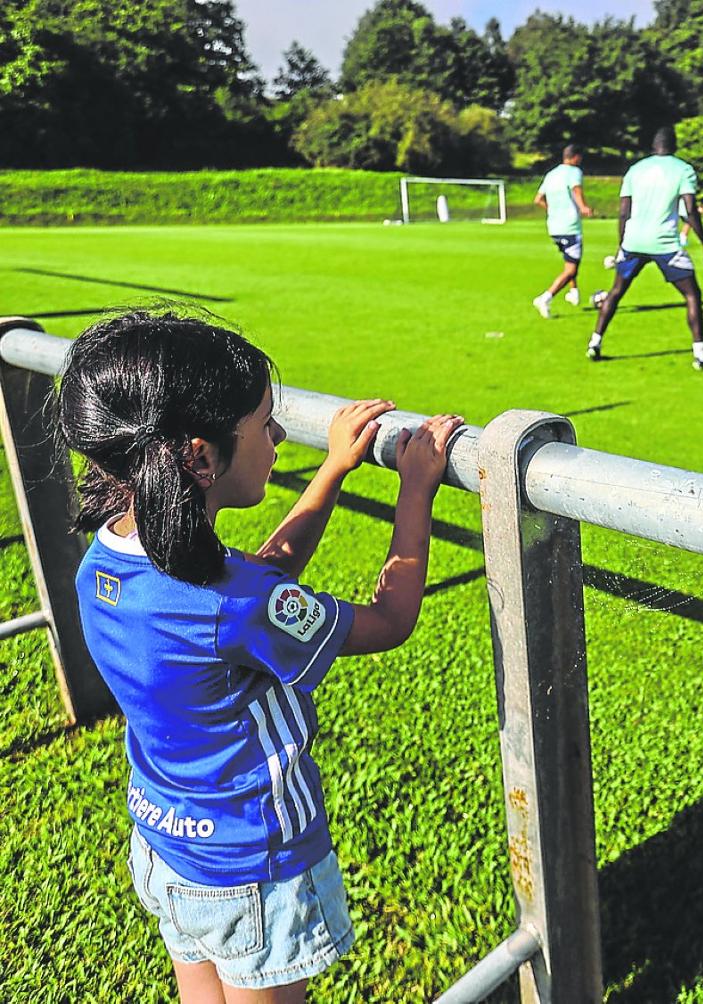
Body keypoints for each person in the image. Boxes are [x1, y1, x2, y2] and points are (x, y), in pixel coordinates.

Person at [54, 308, 463, 1001]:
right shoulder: (229, 602)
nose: (278, 437)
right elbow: (390, 620)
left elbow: (259, 584)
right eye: (264, 424)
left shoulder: (108, 562)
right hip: (250, 868)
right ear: (200, 457)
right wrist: (416, 486)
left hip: (165, 844)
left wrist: (333, 468)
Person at [588, 126, 703, 371]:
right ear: (674, 146)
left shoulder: (634, 170)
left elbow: (624, 211)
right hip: (664, 244)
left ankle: (595, 343)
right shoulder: (683, 169)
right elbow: (690, 210)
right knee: (692, 295)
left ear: (652, 146)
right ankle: (700, 356)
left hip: (633, 241)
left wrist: (622, 245)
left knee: (615, 292)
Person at [533, 143, 593, 317]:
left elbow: (538, 199)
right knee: (571, 269)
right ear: (575, 157)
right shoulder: (574, 172)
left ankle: (573, 291)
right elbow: (576, 189)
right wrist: (583, 207)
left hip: (554, 227)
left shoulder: (551, 174)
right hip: (570, 226)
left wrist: (552, 209)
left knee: (570, 261)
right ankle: (545, 298)